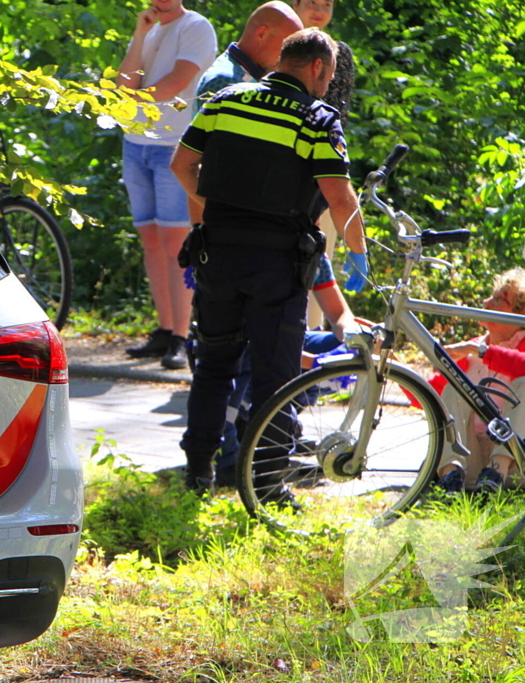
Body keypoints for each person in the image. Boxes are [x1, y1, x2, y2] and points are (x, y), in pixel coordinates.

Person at [170, 27, 367, 494]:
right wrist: (358, 253)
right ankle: (266, 486)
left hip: (217, 250)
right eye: (330, 74)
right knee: (275, 376)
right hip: (277, 263)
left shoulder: (226, 100)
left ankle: (198, 471)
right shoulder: (318, 119)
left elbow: (181, 165)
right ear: (318, 68)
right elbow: (340, 199)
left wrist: (222, 204)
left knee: (214, 364)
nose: (328, 84)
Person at [118, 0, 217, 370]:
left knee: (176, 243)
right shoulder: (149, 27)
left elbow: (176, 84)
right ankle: (163, 331)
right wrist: (140, 34)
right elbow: (124, 82)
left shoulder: (196, 27)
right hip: (135, 144)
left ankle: (182, 334)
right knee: (150, 239)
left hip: (174, 148)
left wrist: (129, 99)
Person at [214, 254, 360, 485]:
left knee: (351, 347)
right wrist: (314, 362)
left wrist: (351, 341)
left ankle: (280, 425)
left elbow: (340, 313)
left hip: (283, 341)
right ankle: (227, 455)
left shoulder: (310, 251)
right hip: (241, 344)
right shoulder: (254, 247)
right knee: (238, 364)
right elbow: (255, 338)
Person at [431, 269, 525, 495]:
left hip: (514, 466)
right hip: (473, 459)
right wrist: (394, 367)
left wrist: (480, 352)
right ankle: (451, 476)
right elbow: (431, 398)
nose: (486, 302)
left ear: (521, 313)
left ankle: (496, 472)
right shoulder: (475, 346)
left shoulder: (523, 344)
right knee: (453, 388)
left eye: (498, 299)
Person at [186, 1, 303, 227]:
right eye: (286, 48)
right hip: (226, 228)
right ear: (261, 33)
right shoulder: (226, 81)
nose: (289, 59)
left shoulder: (250, 76)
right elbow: (199, 163)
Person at [292, 0, 360, 325]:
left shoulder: (340, 54)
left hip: (321, 174)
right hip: (273, 176)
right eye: (312, 2)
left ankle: (313, 353)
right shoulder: (282, 47)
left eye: (327, 4)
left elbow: (336, 119)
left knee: (317, 267)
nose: (319, 10)